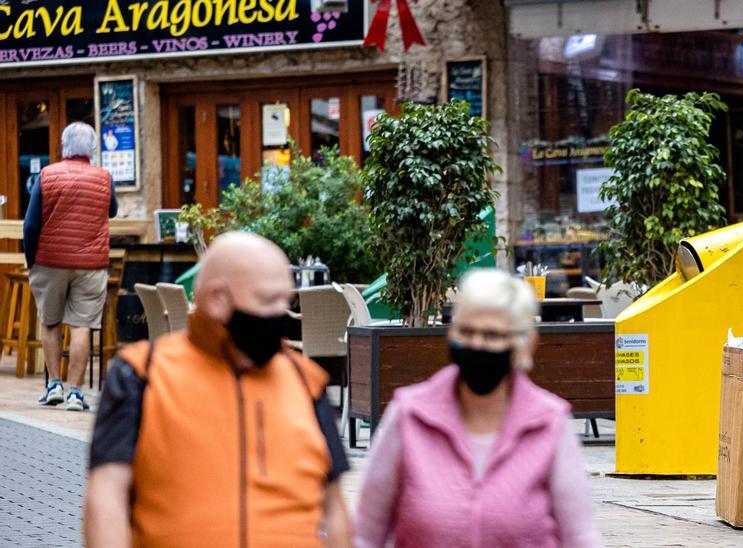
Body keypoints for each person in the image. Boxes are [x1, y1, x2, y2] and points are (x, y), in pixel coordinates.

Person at [84, 232, 352, 547]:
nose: (283, 315)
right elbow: (106, 496)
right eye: (268, 300)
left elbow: (333, 506)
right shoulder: (141, 374)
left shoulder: (305, 381)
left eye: (286, 301)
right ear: (216, 298)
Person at [354, 269, 601, 548]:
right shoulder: (409, 416)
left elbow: (580, 538)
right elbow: (364, 534)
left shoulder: (550, 424)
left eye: (492, 335)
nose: (477, 344)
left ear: (526, 344)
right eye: (466, 331)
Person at [24, 122, 118, 411]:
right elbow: (111, 210)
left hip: (50, 261)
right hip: (90, 264)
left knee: (50, 321)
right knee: (82, 325)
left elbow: (30, 225)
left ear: (64, 146)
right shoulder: (105, 178)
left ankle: (54, 385)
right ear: (91, 149)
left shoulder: (46, 175)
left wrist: (32, 261)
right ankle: (76, 393)